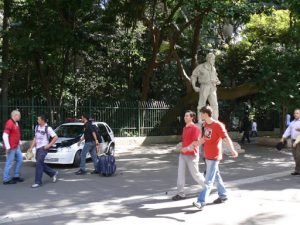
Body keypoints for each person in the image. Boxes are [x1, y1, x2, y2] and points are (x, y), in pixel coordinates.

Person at [192, 106, 238, 211]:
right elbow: (205, 138)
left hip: (214, 156)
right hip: (207, 155)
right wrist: (196, 143)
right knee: (216, 176)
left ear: (206, 114)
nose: (200, 115)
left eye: (201, 113)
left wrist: (233, 150)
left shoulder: (218, 125)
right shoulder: (205, 124)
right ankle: (223, 195)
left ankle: (201, 202)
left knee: (208, 180)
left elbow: (226, 139)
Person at [172, 110, 205, 200]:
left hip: (192, 155)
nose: (185, 117)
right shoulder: (184, 128)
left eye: (187, 116)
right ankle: (180, 193)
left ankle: (207, 186)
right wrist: (183, 149)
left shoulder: (195, 129)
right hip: (183, 155)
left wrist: (187, 148)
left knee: (196, 175)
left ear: (192, 118)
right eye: (185, 116)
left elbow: (195, 142)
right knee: (180, 174)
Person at [27, 115, 59, 188]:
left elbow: (56, 137)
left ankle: (38, 182)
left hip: (44, 148)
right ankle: (53, 173)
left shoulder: (48, 128)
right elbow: (35, 138)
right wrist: (31, 147)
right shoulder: (37, 127)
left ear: (42, 120)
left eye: (38, 119)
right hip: (38, 148)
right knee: (40, 163)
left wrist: (49, 145)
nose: (37, 121)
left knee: (38, 164)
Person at [191, 53, 221, 121]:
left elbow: (216, 77)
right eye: (212, 59)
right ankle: (200, 120)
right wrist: (194, 86)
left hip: (213, 87)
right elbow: (194, 76)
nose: (213, 60)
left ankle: (215, 120)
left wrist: (217, 81)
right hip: (204, 86)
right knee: (201, 104)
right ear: (208, 59)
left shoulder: (213, 68)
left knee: (215, 104)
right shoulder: (201, 67)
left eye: (214, 59)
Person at [2, 110, 24, 185]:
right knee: (9, 162)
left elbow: (16, 134)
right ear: (15, 115)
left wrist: (19, 142)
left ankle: (16, 176)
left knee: (20, 159)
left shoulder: (16, 123)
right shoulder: (9, 123)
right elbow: (5, 136)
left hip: (16, 146)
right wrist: (7, 147)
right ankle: (6, 179)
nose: (20, 117)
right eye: (19, 115)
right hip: (11, 147)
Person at [281, 109, 300, 175]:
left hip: (299, 141)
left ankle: (298, 170)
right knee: (295, 156)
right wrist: (283, 137)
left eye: (297, 113)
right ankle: (297, 170)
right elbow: (288, 131)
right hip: (293, 141)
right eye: (295, 113)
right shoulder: (292, 123)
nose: (295, 114)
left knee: (298, 156)